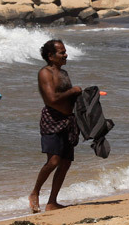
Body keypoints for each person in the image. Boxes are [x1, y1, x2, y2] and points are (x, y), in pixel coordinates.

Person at [29, 39, 82, 213]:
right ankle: (35, 192)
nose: (65, 55)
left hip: (68, 121)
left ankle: (52, 202)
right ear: (51, 56)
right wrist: (73, 91)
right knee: (53, 161)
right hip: (52, 121)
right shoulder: (45, 73)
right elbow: (51, 99)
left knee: (66, 162)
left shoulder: (64, 73)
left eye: (65, 51)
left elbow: (67, 97)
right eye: (62, 52)